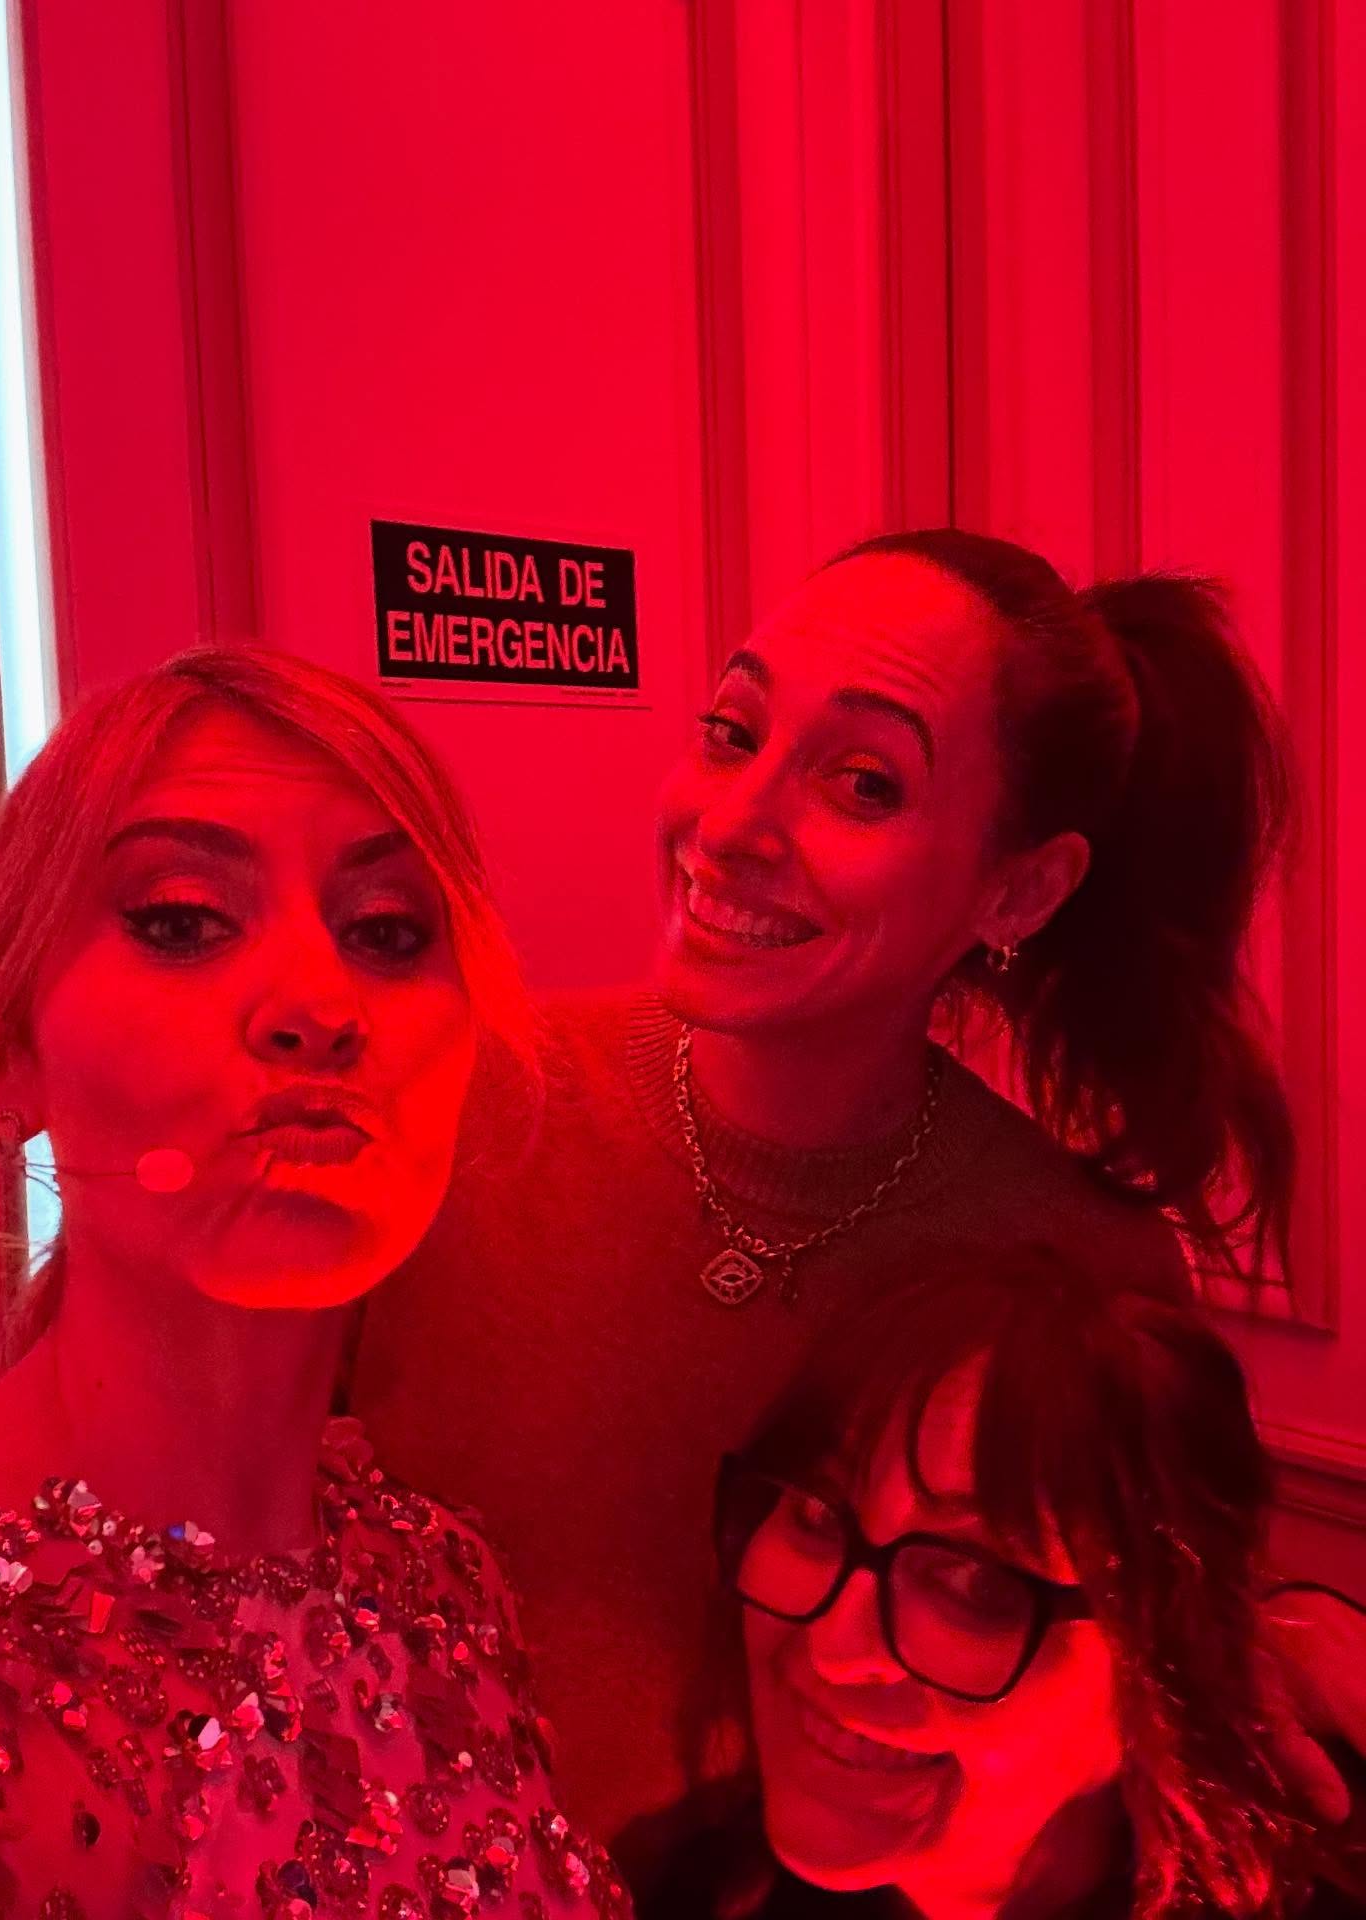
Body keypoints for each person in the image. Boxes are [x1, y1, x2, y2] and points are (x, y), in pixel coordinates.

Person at [352, 530, 1361, 1850]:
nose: (730, 826)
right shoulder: (443, 1103)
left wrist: (1274, 1630)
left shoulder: (1073, 1261)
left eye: (865, 783)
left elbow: (1122, 1649)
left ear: (1022, 889)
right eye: (732, 733)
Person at [0, 648, 628, 1917]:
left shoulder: (441, 1578)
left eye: (387, 933)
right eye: (182, 919)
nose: (320, 1003)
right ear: (5, 1052)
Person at [638, 1248, 1366, 1919]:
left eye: (973, 1583)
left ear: (1164, 1663)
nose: (833, 1648)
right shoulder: (681, 1888)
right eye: (817, 1515)